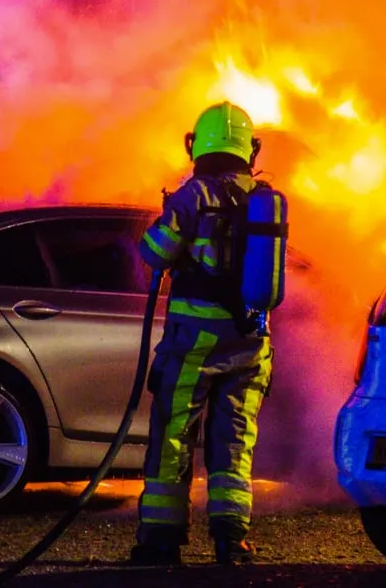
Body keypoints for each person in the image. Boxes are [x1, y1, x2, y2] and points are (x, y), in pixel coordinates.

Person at [130, 101, 275, 566]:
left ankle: (161, 540)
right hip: (251, 340)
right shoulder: (263, 200)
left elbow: (155, 253)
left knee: (174, 432)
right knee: (234, 438)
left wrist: (165, 219)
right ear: (250, 149)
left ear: (197, 145)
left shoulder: (193, 196)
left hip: (195, 340)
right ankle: (232, 540)